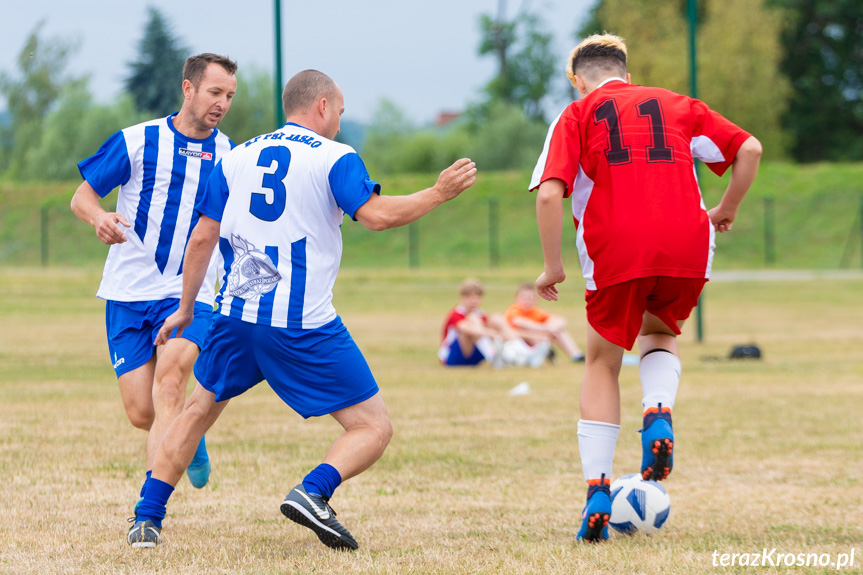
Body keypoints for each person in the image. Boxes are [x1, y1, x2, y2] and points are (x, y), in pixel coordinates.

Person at [126, 69, 477, 550]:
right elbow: (376, 216)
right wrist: (438, 193)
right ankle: (313, 491)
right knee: (373, 426)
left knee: (198, 409)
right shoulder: (336, 157)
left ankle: (146, 518)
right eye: (341, 111)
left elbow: (203, 237)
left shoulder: (237, 156)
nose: (339, 122)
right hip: (300, 324)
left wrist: (188, 307)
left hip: (234, 315)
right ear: (322, 107)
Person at [530, 34, 762, 542]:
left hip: (619, 245)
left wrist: (552, 268)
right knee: (659, 334)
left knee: (601, 362)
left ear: (577, 80)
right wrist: (727, 208)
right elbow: (749, 147)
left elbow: (550, 194)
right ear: (627, 74)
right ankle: (658, 410)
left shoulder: (575, 115)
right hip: (687, 240)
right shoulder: (679, 105)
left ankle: (597, 488)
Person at [71, 53, 239, 503]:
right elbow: (82, 197)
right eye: (214, 92)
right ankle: (191, 434)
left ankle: (149, 510)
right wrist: (98, 218)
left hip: (191, 291)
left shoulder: (230, 156)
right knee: (142, 411)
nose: (222, 103)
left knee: (171, 382)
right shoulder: (137, 140)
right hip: (128, 291)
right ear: (188, 89)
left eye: (229, 96)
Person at [439, 279, 549, 368]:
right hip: (454, 357)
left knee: (496, 318)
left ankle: (523, 352)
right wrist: (492, 334)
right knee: (474, 320)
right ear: (461, 298)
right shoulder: (456, 314)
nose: (473, 301)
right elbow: (465, 329)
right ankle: (496, 356)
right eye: (469, 297)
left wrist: (532, 336)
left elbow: (502, 330)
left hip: (475, 356)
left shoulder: (481, 314)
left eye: (476, 297)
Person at [504, 282, 585, 362]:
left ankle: (576, 355)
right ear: (516, 298)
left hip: (536, 338)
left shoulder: (536, 312)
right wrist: (542, 327)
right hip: (517, 341)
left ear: (536, 300)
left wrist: (550, 328)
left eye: (530, 298)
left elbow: (561, 321)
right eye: (524, 298)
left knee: (557, 331)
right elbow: (519, 322)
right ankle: (546, 351)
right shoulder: (514, 310)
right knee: (533, 331)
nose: (527, 301)